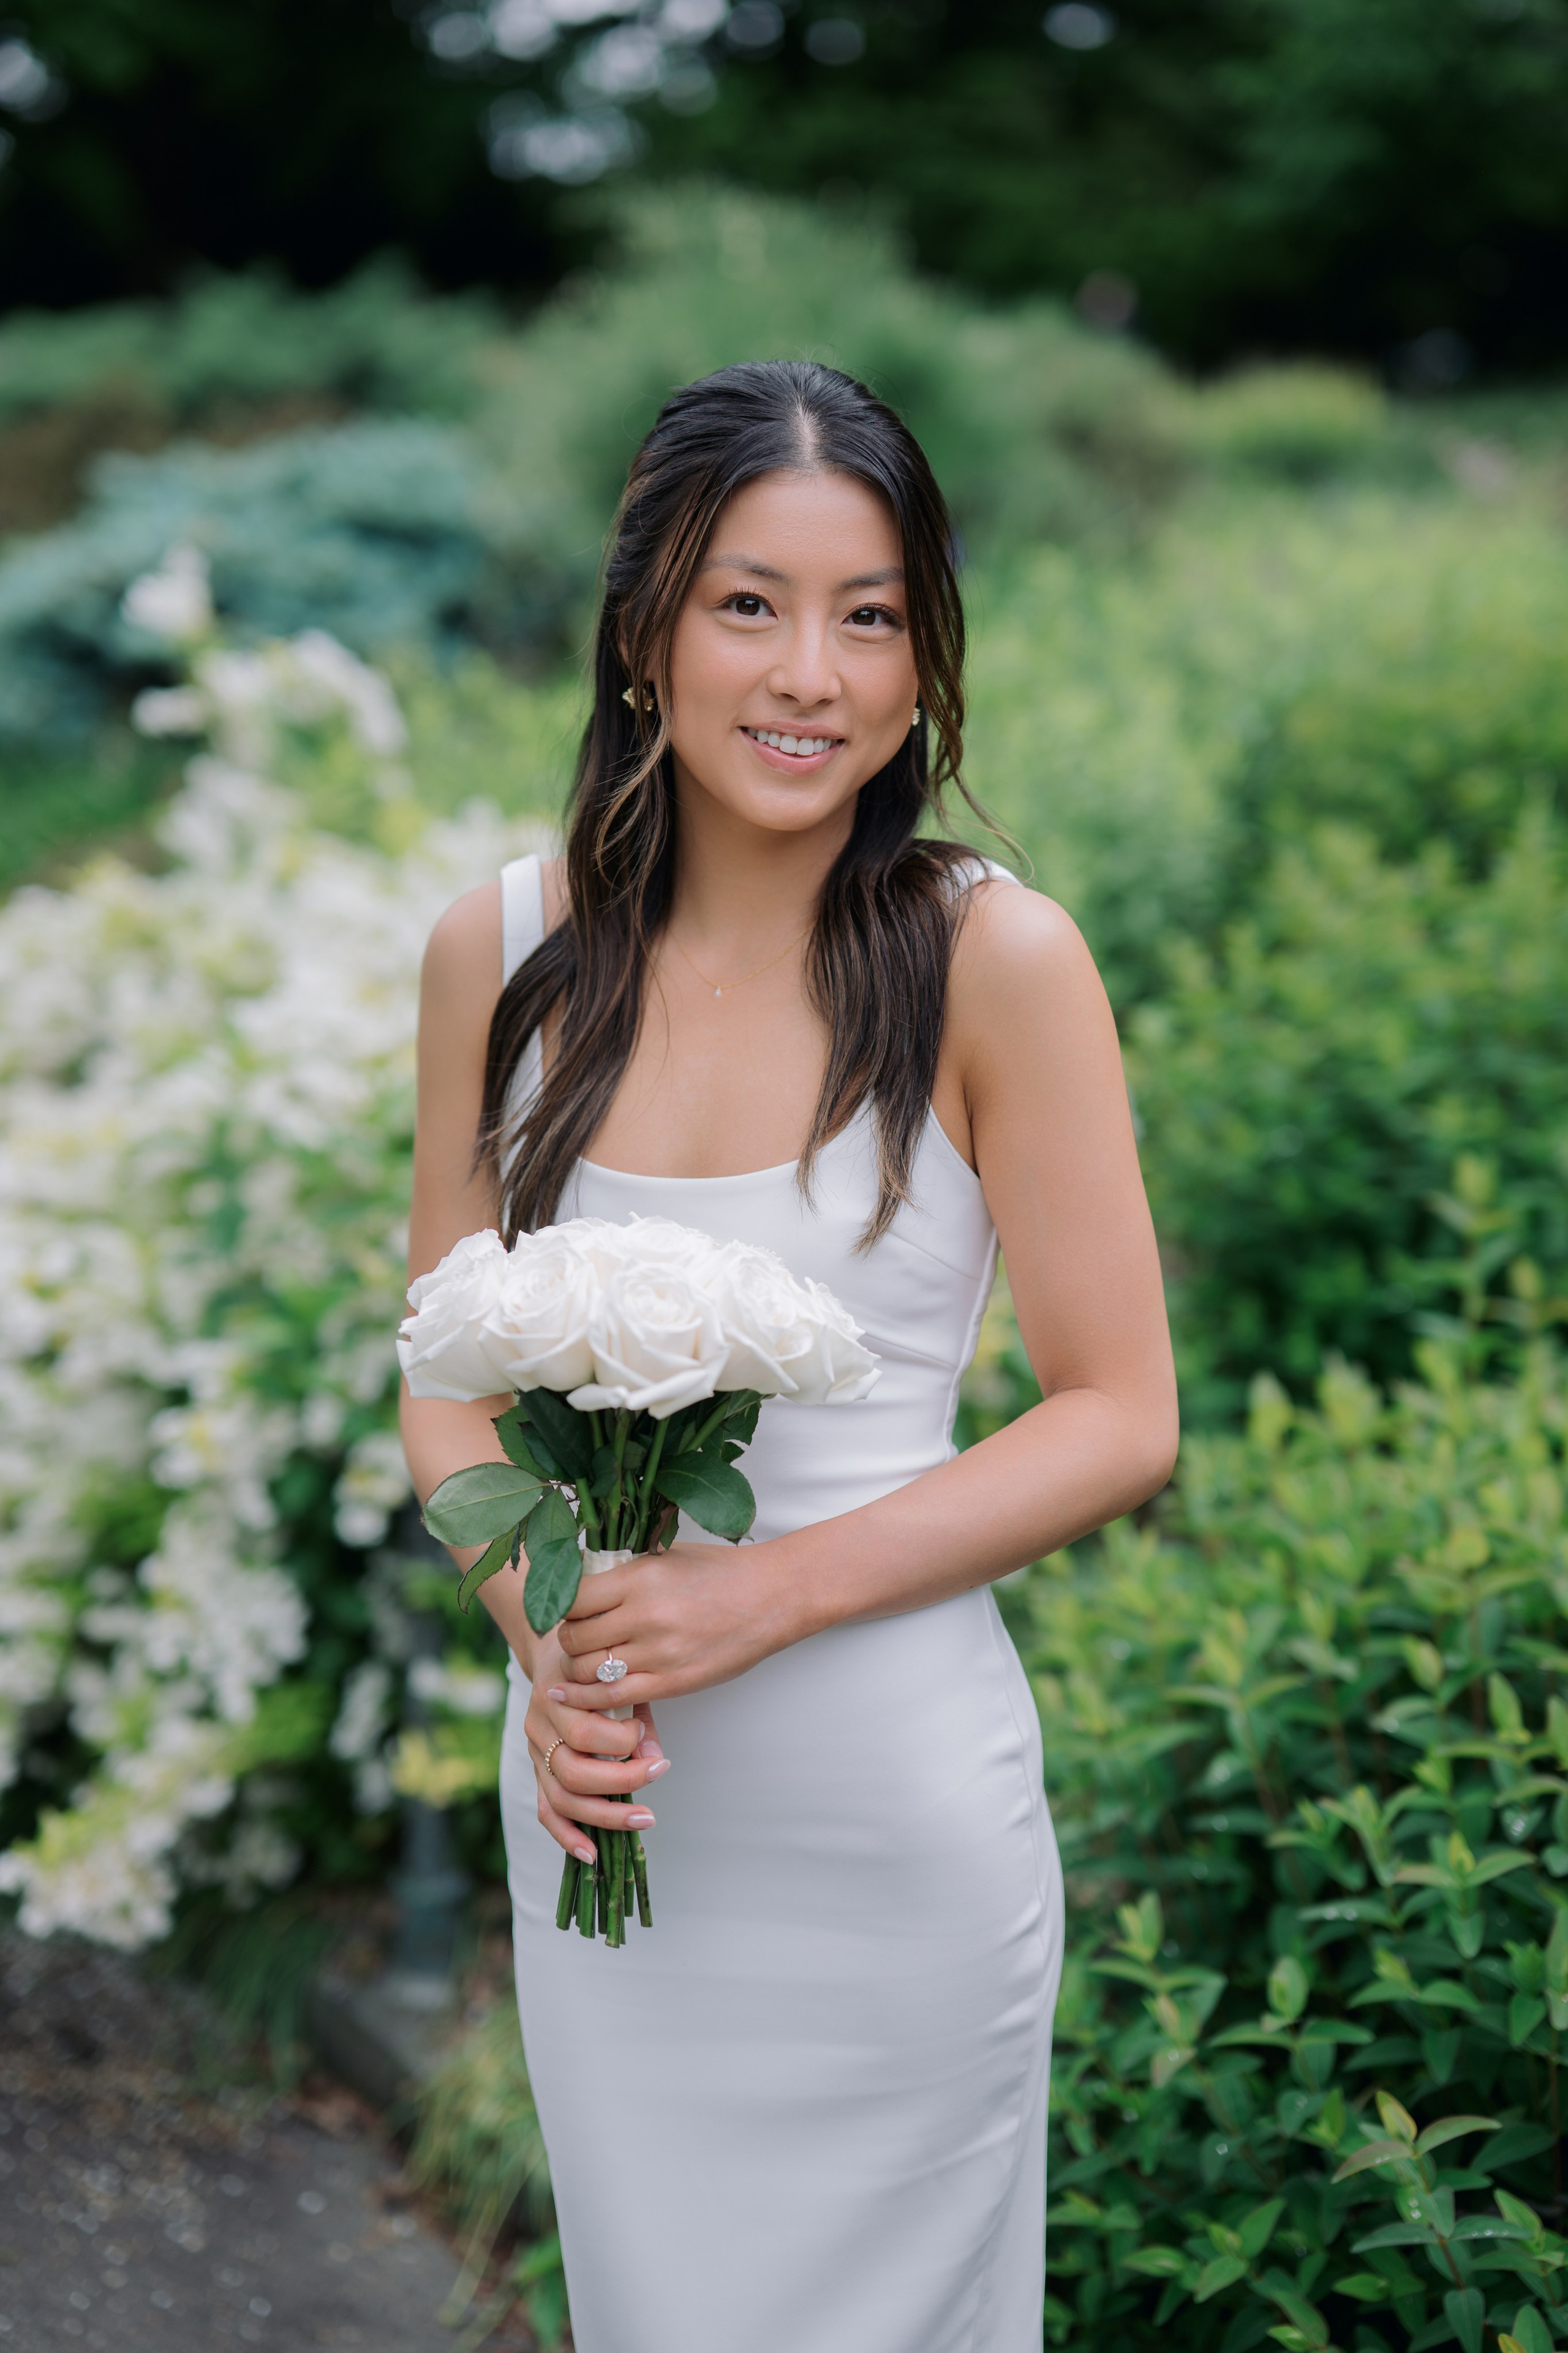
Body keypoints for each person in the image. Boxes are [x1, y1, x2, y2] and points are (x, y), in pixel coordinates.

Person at [399, 360, 1177, 2353]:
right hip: (614, 1809)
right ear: (645, 626)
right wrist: (546, 1645)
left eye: (872, 614)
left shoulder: (996, 958)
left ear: (925, 658)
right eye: (749, 603)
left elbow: (1119, 1414)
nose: (811, 673)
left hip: (891, 1827)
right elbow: (442, 1371)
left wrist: (766, 1592)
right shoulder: (501, 952)